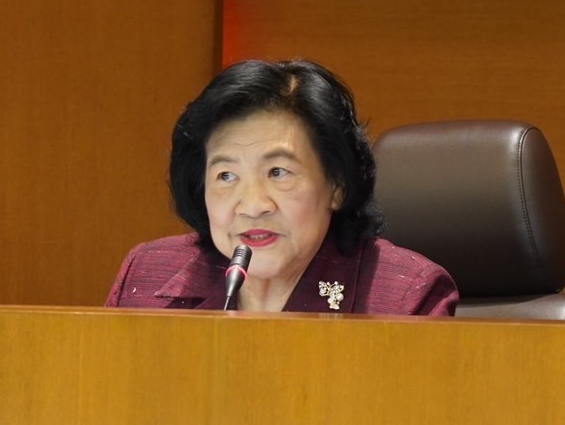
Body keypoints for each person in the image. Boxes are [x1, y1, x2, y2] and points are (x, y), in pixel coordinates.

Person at [105, 60, 458, 316]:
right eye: (226, 176)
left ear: (336, 185)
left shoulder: (403, 298)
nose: (253, 205)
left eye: (278, 172)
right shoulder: (148, 277)